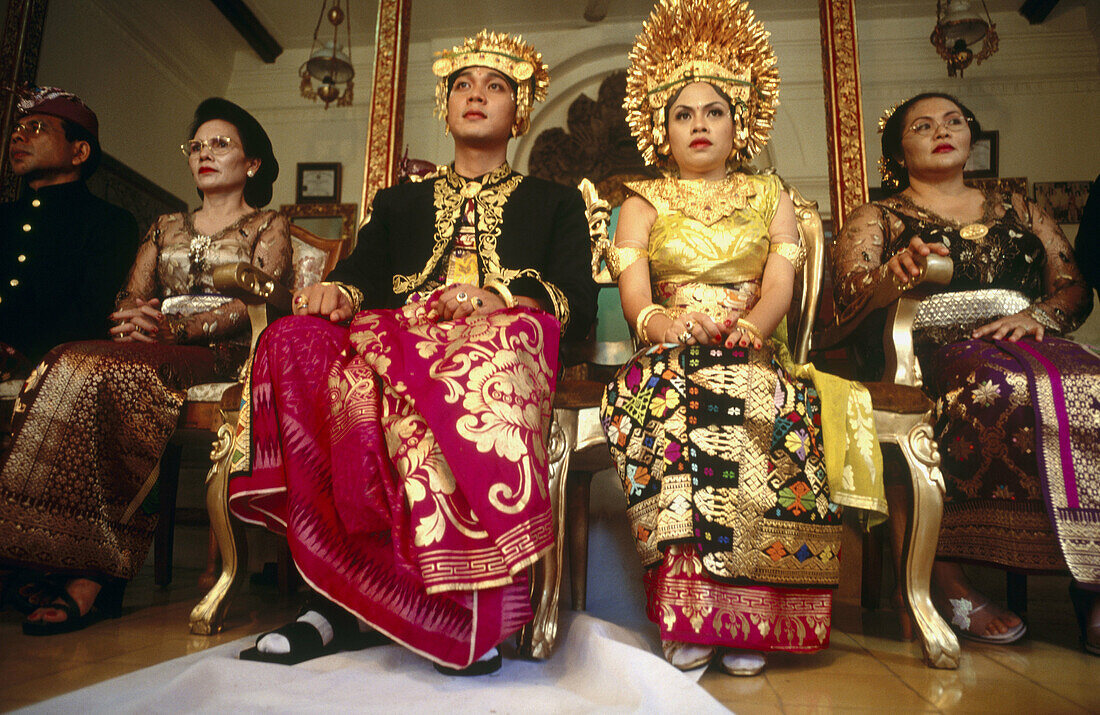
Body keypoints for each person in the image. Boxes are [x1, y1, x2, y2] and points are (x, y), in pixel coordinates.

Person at [227, 30, 596, 675]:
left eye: (496, 86)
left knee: (478, 360)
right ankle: (338, 601)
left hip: (498, 338)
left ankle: (460, 612)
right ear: (445, 106)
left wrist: (499, 297)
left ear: (521, 111)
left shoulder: (555, 201)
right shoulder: (400, 202)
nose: (476, 95)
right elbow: (363, 273)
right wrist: (336, 290)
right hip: (395, 337)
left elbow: (575, 300)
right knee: (298, 344)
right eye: (462, 85)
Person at [599, 0, 885, 677]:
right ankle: (690, 610)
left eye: (714, 112)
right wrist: (663, 323)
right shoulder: (639, 200)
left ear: (740, 123)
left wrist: (753, 328)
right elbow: (637, 294)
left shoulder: (772, 194)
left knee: (771, 411)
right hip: (668, 352)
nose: (699, 125)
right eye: (683, 114)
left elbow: (780, 285)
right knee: (669, 408)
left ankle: (752, 613)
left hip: (752, 347)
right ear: (660, 129)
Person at [0, 97, 290, 635]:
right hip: (153, 346)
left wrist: (174, 328)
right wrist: (134, 321)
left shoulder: (269, 224)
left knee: (116, 377)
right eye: (197, 145)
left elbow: (264, 299)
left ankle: (95, 576)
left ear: (251, 164)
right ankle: (41, 554)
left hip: (221, 354)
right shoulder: (165, 226)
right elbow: (130, 295)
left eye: (220, 144)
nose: (204, 154)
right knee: (68, 362)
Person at [832, 92, 1099, 654]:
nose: (941, 131)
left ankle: (1095, 583)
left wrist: (1037, 316)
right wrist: (893, 276)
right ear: (899, 150)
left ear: (971, 136)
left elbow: (1075, 289)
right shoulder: (879, 215)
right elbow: (847, 301)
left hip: (1031, 338)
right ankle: (947, 573)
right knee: (994, 391)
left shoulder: (1021, 208)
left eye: (953, 122)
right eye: (923, 126)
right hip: (933, 348)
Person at [0, 86, 139, 375]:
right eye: (18, 128)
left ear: (80, 151)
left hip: (52, 375)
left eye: (37, 128)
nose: (18, 136)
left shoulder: (110, 223)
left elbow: (90, 315)